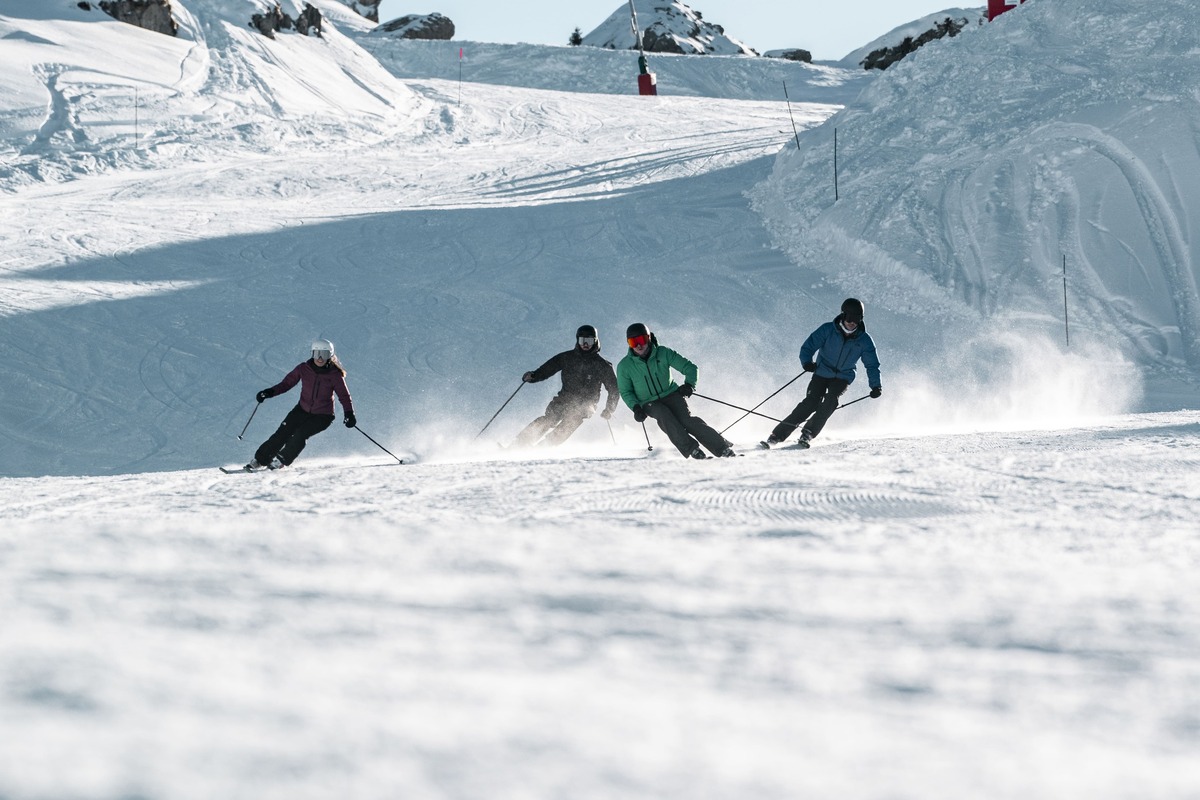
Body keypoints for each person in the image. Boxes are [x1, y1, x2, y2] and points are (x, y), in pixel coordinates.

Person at [760, 298, 881, 450]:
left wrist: (876, 386)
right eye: (849, 318)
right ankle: (777, 436)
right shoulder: (828, 330)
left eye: (856, 319)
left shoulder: (864, 340)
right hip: (822, 372)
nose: (852, 322)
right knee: (810, 403)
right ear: (843, 315)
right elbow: (808, 346)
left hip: (842, 377)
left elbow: (872, 365)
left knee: (831, 401)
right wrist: (807, 362)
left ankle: (808, 433)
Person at [617, 322, 735, 459]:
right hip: (648, 402)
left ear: (648, 338)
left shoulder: (663, 353)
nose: (638, 345)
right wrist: (636, 407)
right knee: (664, 415)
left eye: (641, 340)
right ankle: (692, 449)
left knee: (687, 421)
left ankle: (723, 449)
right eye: (633, 342)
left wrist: (689, 384)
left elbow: (690, 368)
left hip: (671, 394)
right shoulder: (625, 366)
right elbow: (626, 391)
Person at [245, 338, 356, 470]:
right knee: (282, 432)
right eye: (317, 353)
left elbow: (344, 396)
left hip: (322, 416)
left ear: (330, 356)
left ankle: (280, 461)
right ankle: (260, 460)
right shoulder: (304, 368)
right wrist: (269, 392)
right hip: (301, 410)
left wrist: (349, 413)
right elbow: (287, 383)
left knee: (300, 434)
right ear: (312, 353)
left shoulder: (335, 375)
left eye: (324, 354)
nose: (320, 358)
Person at [514, 325, 619, 447]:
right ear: (577, 340)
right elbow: (547, 369)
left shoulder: (602, 365)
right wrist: (534, 376)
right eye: (582, 340)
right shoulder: (567, 358)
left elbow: (614, 390)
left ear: (595, 341)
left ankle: (545, 446)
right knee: (550, 418)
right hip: (564, 398)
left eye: (589, 341)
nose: (585, 344)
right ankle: (520, 443)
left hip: (587, 404)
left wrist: (609, 409)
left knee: (573, 419)